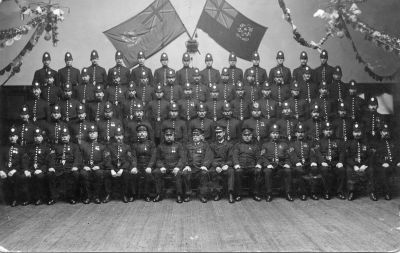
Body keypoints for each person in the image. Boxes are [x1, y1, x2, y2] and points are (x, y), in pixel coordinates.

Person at [48, 127, 81, 205]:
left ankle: (72, 197)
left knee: (75, 175)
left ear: (69, 136)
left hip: (70, 166)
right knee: (50, 174)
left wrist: (75, 166)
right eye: (62, 136)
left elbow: (77, 157)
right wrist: (52, 167)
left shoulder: (74, 146)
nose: (64, 137)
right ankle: (53, 197)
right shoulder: (56, 146)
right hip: (58, 166)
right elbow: (52, 157)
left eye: (66, 136)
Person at [313, 121, 346, 200]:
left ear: (332, 131)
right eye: (326, 130)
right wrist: (322, 162)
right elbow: (317, 153)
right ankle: (326, 192)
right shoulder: (319, 141)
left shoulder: (338, 141)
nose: (328, 132)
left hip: (335, 162)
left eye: (330, 130)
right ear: (323, 131)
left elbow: (342, 152)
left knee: (341, 170)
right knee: (324, 170)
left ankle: (339, 192)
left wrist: (340, 162)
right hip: (325, 162)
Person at [261, 124, 293, 201]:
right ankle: (269, 193)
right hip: (270, 165)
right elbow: (263, 157)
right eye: (273, 133)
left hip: (281, 165)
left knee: (288, 171)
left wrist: (287, 163)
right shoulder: (265, 144)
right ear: (270, 134)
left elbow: (288, 156)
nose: (275, 135)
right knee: (267, 171)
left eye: (277, 133)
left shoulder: (284, 144)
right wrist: (267, 164)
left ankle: (287, 193)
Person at [80, 124, 111, 204]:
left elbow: (106, 160)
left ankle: (96, 196)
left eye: (94, 132)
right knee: (83, 174)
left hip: (98, 166)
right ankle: (88, 196)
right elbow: (80, 158)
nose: (92, 134)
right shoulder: (83, 145)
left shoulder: (102, 146)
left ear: (97, 134)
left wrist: (99, 166)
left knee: (99, 173)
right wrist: (84, 166)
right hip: (87, 166)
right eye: (90, 133)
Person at [154, 127, 186, 203]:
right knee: (156, 172)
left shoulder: (179, 145)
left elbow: (182, 158)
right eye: (167, 135)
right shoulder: (160, 146)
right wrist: (161, 167)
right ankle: (159, 194)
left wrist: (178, 167)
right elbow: (158, 159)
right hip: (165, 167)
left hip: (175, 167)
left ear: (173, 136)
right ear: (164, 136)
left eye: (170, 135)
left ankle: (179, 195)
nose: (169, 137)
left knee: (178, 173)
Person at [345, 122, 376, 201]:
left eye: (358, 132)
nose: (357, 134)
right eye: (355, 132)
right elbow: (347, 157)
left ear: (361, 132)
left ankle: (372, 192)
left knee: (371, 170)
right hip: (353, 164)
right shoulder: (349, 143)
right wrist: (354, 165)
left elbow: (370, 156)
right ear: (353, 133)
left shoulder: (366, 143)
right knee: (349, 170)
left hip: (364, 164)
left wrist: (365, 165)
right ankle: (351, 192)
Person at [231, 127, 262, 201]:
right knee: (238, 172)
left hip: (252, 166)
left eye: (249, 135)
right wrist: (236, 164)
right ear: (242, 136)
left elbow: (259, 157)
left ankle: (255, 193)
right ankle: (239, 194)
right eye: (245, 135)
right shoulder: (238, 145)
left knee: (257, 171)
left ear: (251, 136)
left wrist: (258, 164)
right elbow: (235, 156)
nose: (247, 137)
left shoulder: (255, 146)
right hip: (241, 166)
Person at [22, 127, 51, 205]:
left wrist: (41, 169)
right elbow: (25, 160)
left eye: (38, 136)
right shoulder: (29, 147)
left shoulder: (46, 147)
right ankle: (27, 199)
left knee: (39, 176)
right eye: (35, 136)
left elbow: (48, 162)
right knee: (24, 176)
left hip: (42, 170)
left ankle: (39, 198)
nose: (37, 138)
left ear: (42, 137)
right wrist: (26, 170)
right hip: (31, 169)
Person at [0, 127, 28, 207]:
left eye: (14, 136)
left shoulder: (21, 149)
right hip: (4, 170)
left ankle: (15, 199)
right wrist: (1, 170)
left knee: (16, 178)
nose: (12, 138)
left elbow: (22, 163)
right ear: (9, 137)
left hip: (16, 170)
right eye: (10, 136)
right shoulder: (3, 148)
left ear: (17, 137)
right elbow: (1, 161)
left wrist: (14, 170)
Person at [106, 126, 134, 203]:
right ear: (114, 136)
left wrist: (122, 169)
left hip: (123, 168)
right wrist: (111, 169)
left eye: (120, 135)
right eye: (117, 136)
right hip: (113, 167)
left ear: (123, 136)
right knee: (106, 173)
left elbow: (129, 160)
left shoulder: (127, 147)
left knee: (125, 174)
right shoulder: (109, 147)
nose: (119, 137)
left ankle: (124, 195)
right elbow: (107, 159)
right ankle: (108, 194)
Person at [185, 127, 213, 203]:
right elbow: (184, 156)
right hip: (191, 168)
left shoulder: (205, 145)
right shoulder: (188, 145)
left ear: (201, 136)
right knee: (185, 173)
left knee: (204, 174)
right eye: (193, 136)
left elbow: (208, 156)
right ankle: (188, 194)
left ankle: (202, 195)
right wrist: (187, 165)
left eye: (197, 135)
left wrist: (204, 165)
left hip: (201, 168)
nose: (195, 137)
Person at [372, 123, 400, 200]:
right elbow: (375, 157)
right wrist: (382, 162)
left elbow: (398, 153)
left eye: (387, 131)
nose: (386, 133)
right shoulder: (377, 143)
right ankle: (387, 193)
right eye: (384, 131)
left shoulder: (394, 141)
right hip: (384, 164)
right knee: (384, 172)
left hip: (395, 164)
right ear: (381, 132)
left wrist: (398, 161)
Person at [131, 124, 157, 202]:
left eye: (143, 132)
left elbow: (153, 157)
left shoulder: (151, 144)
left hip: (148, 165)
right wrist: (134, 166)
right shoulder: (134, 144)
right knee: (133, 174)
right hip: (138, 165)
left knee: (148, 175)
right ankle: (133, 194)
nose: (142, 133)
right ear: (137, 134)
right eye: (140, 132)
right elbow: (133, 157)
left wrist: (149, 166)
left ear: (147, 134)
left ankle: (147, 194)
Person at [209, 124, 235, 203]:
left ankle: (230, 193)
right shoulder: (212, 145)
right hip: (216, 165)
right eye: (217, 133)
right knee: (213, 171)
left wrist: (226, 165)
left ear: (224, 133)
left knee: (231, 171)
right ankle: (217, 193)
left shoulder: (229, 145)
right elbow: (210, 158)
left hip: (226, 165)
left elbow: (231, 158)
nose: (218, 134)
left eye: (220, 132)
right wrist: (216, 166)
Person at [288, 123, 312, 200]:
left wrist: (312, 162)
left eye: (302, 132)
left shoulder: (308, 143)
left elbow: (312, 154)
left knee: (313, 169)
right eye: (299, 132)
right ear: (296, 134)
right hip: (296, 165)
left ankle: (313, 192)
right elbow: (292, 154)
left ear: (304, 133)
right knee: (300, 170)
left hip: (307, 164)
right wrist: (297, 162)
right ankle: (303, 193)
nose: (300, 134)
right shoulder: (292, 144)